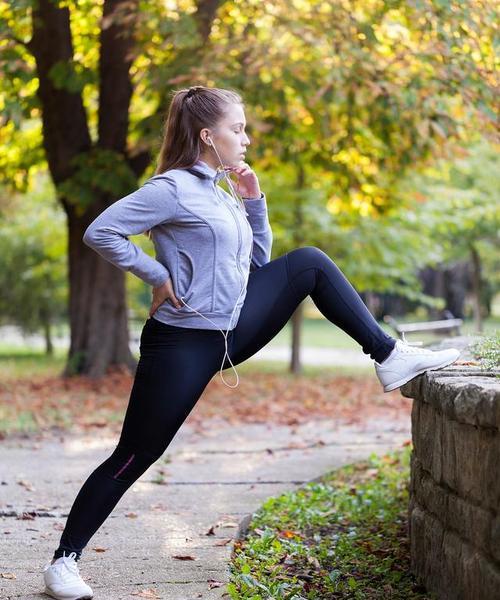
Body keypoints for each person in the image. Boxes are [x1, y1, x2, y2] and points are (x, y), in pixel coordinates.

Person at [42, 85, 460, 599]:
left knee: (307, 262)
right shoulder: (171, 189)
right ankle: (64, 562)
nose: (245, 138)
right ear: (206, 135)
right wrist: (154, 274)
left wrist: (254, 202)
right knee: (137, 453)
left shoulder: (223, 191)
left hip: (234, 328)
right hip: (182, 343)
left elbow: (260, 267)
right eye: (237, 129)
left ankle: (389, 355)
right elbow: (101, 231)